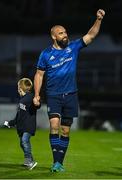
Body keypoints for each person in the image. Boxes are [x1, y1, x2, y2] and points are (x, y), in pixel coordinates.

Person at [33, 9, 105, 172]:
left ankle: (59, 162)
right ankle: (56, 162)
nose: (65, 35)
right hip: (54, 95)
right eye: (61, 33)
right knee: (54, 126)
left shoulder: (73, 47)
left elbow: (91, 36)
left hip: (71, 94)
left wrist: (98, 20)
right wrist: (37, 95)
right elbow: (39, 74)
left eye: (65, 32)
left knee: (65, 131)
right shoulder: (46, 54)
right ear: (54, 36)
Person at [4, 78, 40, 170]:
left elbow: (36, 104)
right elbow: (18, 116)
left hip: (28, 126)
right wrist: (10, 123)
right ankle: (30, 160)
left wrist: (37, 104)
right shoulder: (22, 100)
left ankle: (29, 161)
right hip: (21, 127)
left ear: (20, 88)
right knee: (22, 143)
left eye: (18, 87)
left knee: (24, 141)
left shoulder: (31, 97)